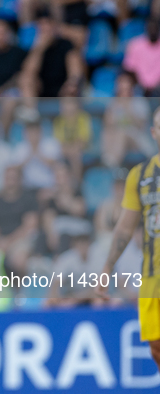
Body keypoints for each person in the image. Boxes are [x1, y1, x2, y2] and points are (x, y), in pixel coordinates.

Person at [99, 106, 160, 372]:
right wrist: (106, 268)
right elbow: (124, 228)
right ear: (154, 133)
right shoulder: (140, 175)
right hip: (152, 277)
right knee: (156, 345)